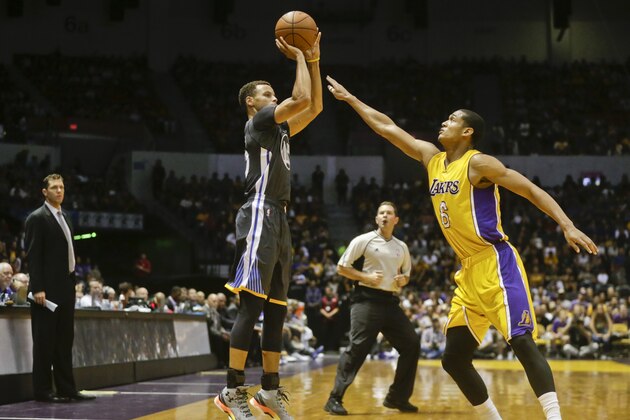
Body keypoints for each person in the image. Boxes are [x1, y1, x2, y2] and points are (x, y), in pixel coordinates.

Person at [326, 77, 598, 420]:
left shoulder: (479, 163)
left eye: (453, 119)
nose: (445, 122)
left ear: (468, 132)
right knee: (453, 358)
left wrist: (567, 224)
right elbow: (387, 127)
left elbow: (529, 189)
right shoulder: (432, 158)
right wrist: (351, 98)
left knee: (521, 341)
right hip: (468, 270)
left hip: (496, 262)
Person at [214, 31, 323, 420]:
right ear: (252, 102)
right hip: (259, 211)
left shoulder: (280, 131)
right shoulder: (259, 123)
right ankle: (231, 390)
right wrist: (298, 57)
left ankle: (270, 392)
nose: (273, 97)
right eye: (268, 93)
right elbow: (302, 99)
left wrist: (314, 58)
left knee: (277, 308)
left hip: (280, 216)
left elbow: (315, 107)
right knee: (252, 305)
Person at [324, 201, 419, 415]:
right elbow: (342, 267)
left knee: (411, 344)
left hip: (390, 302)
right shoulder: (363, 240)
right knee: (357, 349)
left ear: (396, 220)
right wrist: (365, 276)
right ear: (377, 219)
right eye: (381, 213)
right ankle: (334, 398)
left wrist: (403, 280)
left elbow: (406, 275)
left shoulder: (401, 247)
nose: (385, 216)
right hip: (365, 300)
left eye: (389, 213)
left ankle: (397, 397)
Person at [24, 174, 96, 403]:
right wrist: (37, 288)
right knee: (44, 341)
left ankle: (67, 388)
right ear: (44, 191)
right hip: (45, 291)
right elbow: (33, 256)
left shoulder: (65, 216)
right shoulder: (37, 218)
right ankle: (43, 391)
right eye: (54, 187)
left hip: (66, 287)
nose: (59, 191)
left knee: (64, 341)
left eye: (62, 187)